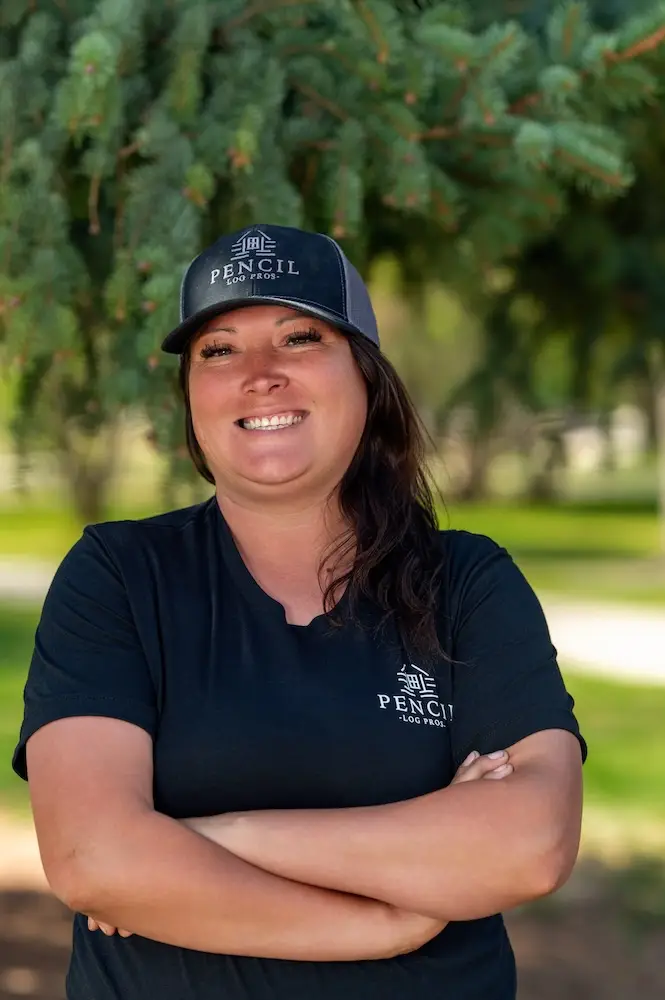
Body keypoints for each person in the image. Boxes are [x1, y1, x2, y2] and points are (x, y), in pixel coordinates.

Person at [12, 223, 586, 1000]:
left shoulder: (465, 582)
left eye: (299, 337)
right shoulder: (118, 575)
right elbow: (93, 860)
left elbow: (529, 847)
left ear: (366, 379)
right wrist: (378, 923)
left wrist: (210, 838)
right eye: (218, 350)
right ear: (190, 399)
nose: (259, 374)